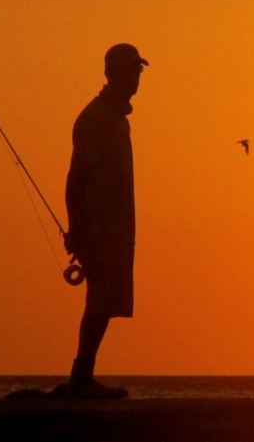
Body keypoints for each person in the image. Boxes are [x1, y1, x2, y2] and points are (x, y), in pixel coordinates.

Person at [62, 43, 148, 399]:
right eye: (128, 70)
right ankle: (81, 379)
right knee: (100, 303)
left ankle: (83, 377)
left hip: (115, 229)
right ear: (110, 74)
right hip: (100, 230)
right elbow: (76, 176)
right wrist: (77, 229)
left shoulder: (115, 119)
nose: (135, 77)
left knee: (105, 303)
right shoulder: (96, 118)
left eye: (138, 70)